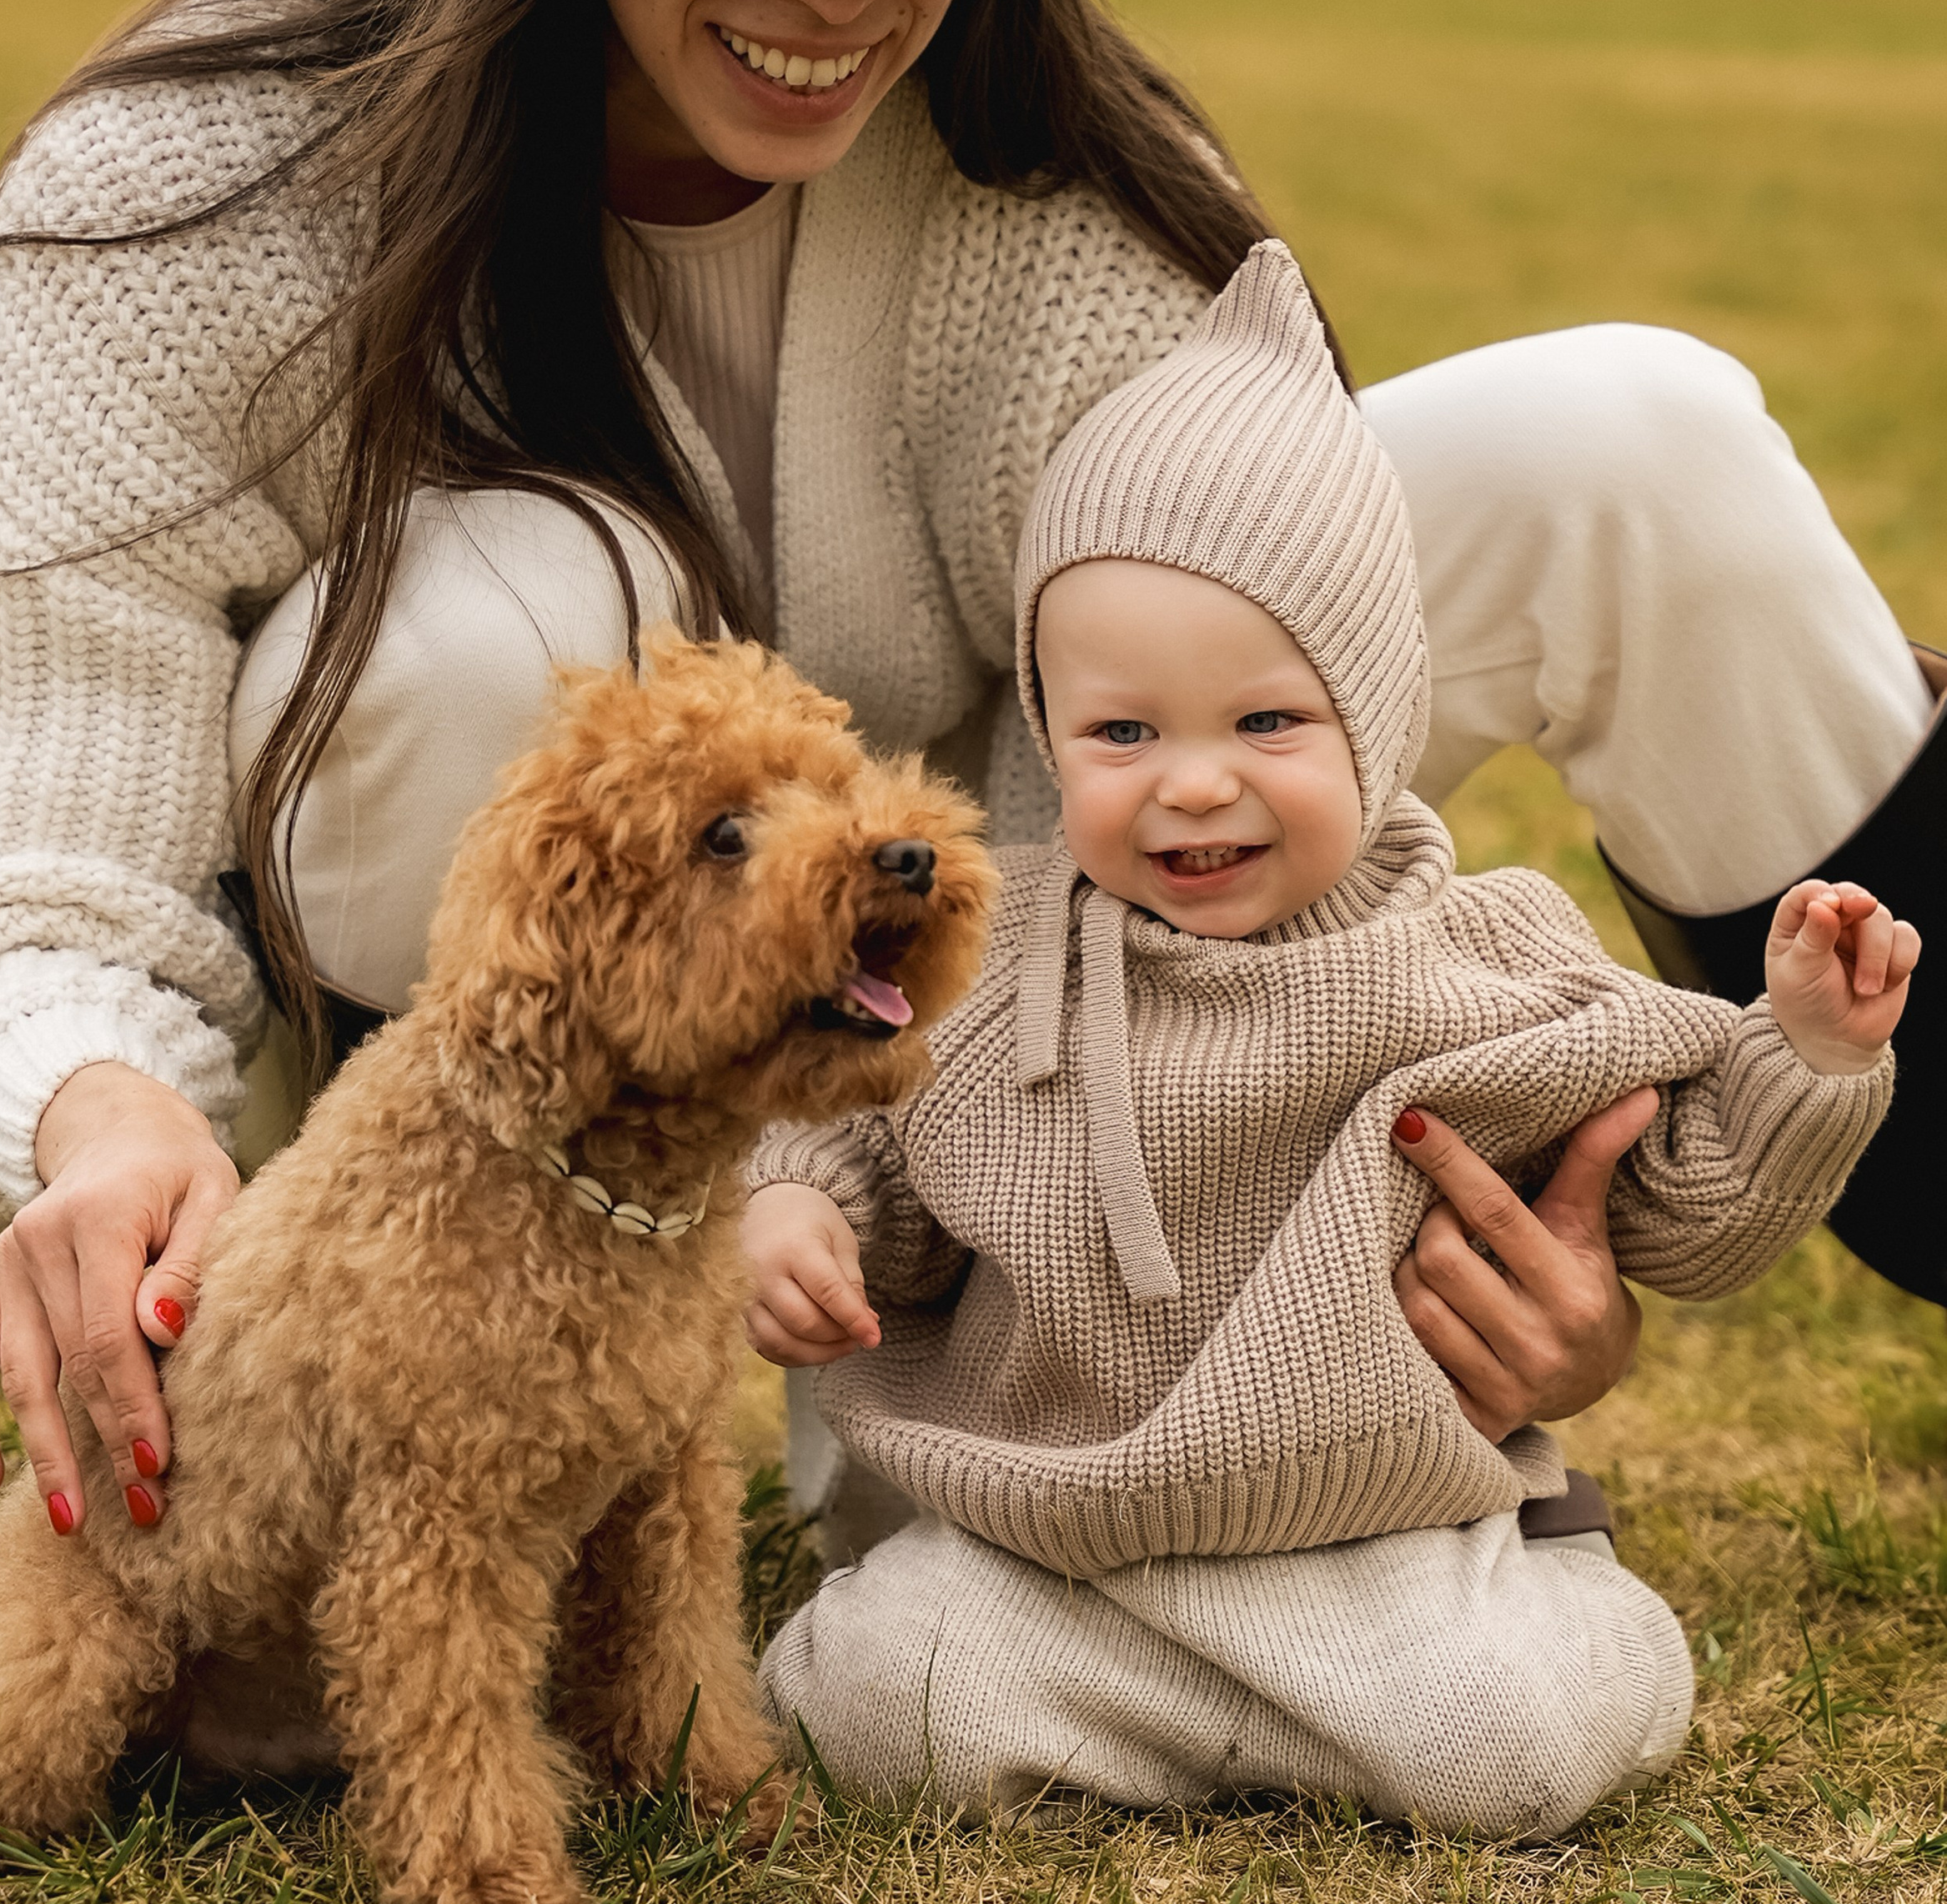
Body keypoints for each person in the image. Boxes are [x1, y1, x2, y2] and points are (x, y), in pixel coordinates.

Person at [0, 0, 1934, 1568]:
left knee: (1628, 436)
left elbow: (1219, 779)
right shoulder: (201, 176)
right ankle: (448, 1438)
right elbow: (4, 834)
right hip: (412, 1112)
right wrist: (95, 1120)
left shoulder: (1073, 185)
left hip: (952, 1077)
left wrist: (1484, 1232)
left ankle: (998, 1359)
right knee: (536, 600)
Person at [741, 243, 1915, 1836]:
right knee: (863, 1699)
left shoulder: (1479, 954)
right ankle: (1193, 1721)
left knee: (1513, 1739)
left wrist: (1808, 1055)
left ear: (1377, 706)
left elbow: (1683, 1208)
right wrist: (797, 1212)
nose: (1195, 782)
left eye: (1267, 723)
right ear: (1048, 730)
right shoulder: (997, 951)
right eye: (1122, 732)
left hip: (1381, 1546)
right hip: (1060, 1552)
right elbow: (867, 1134)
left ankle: (1491, 1639)